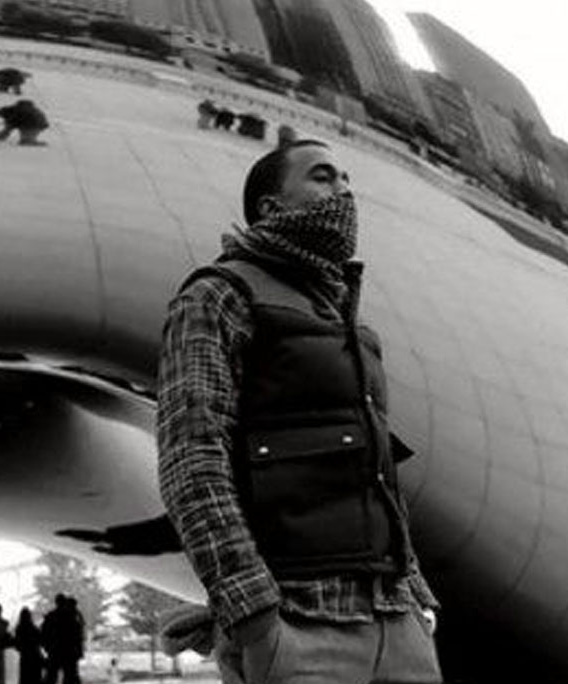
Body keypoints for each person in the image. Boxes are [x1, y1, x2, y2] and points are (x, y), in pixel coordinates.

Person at [157, 139, 443, 683]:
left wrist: (416, 601)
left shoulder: (345, 317)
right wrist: (254, 615)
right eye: (323, 177)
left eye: (346, 180)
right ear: (272, 208)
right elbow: (190, 462)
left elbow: (377, 476)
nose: (344, 192)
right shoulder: (218, 297)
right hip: (301, 631)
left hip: (397, 623)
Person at [41, 595, 82, 684]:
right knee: (70, 677)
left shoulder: (50, 616)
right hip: (69, 651)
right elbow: (77, 635)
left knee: (51, 677)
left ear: (56, 602)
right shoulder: (71, 617)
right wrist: (78, 651)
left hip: (54, 650)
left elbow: (44, 634)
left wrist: (47, 647)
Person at [13, 608, 44, 684]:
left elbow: (17, 645)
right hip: (35, 657)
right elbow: (40, 639)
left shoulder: (19, 628)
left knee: (25, 678)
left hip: (25, 657)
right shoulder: (33, 628)